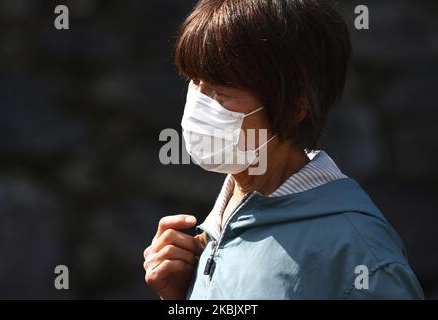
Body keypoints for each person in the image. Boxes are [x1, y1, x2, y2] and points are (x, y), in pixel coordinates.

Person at [143, 0, 424, 299]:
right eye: (194, 82)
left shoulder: (358, 252)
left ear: (293, 109)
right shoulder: (218, 229)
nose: (200, 104)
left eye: (222, 92)